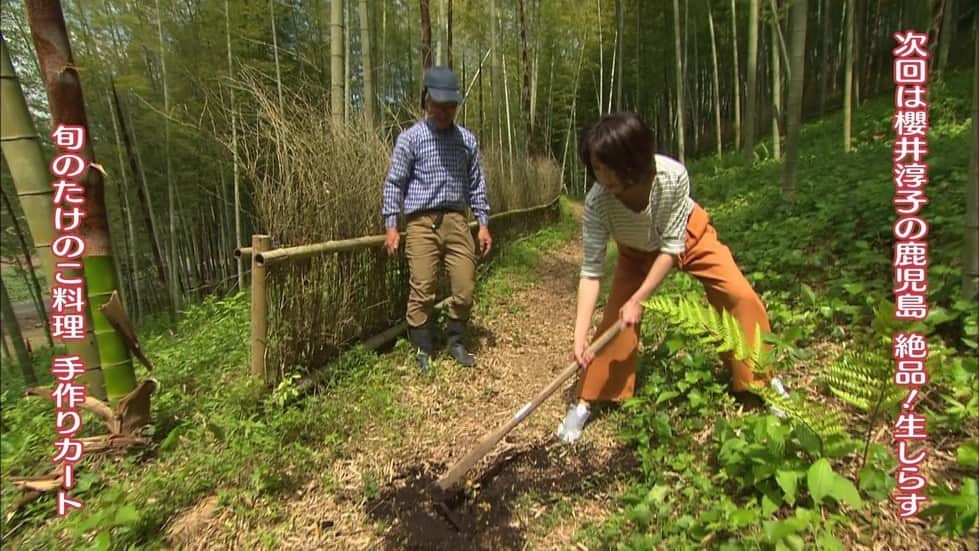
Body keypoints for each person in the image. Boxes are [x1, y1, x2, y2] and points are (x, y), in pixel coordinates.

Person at [556, 112, 789, 443]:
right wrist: (579, 335)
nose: (602, 177)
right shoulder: (597, 203)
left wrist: (640, 299)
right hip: (635, 252)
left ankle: (762, 379)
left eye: (609, 167)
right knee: (615, 323)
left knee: (738, 294)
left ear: (633, 159)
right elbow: (592, 271)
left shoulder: (672, 176)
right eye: (596, 168)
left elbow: (672, 248)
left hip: (689, 236)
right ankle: (586, 400)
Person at [382, 66, 493, 373]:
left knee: (465, 286)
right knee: (423, 286)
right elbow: (395, 183)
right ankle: (422, 348)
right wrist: (391, 225)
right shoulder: (410, 139)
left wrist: (483, 224)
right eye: (438, 105)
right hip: (421, 223)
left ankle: (456, 341)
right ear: (426, 101)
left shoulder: (467, 141)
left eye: (450, 106)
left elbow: (476, 184)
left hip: (457, 221)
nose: (444, 112)